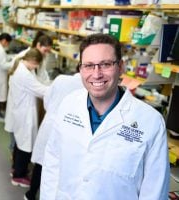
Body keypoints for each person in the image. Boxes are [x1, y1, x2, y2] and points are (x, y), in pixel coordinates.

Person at [40, 33, 170, 200]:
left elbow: (155, 191)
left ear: (121, 67)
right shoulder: (68, 104)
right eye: (88, 65)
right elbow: (53, 163)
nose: (96, 74)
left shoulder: (150, 122)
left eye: (106, 64)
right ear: (80, 69)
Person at [24, 73, 83, 200]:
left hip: (50, 124)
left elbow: (47, 98)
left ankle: (31, 194)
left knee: (41, 163)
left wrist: (52, 110)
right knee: (59, 168)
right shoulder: (88, 87)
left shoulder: (61, 79)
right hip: (70, 131)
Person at [5, 48, 49, 187]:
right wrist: (57, 88)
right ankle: (19, 176)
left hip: (20, 112)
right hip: (24, 114)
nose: (36, 68)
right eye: (36, 65)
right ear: (32, 61)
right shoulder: (24, 74)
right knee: (25, 144)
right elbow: (40, 90)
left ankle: (16, 170)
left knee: (20, 143)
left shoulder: (21, 67)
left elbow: (36, 86)